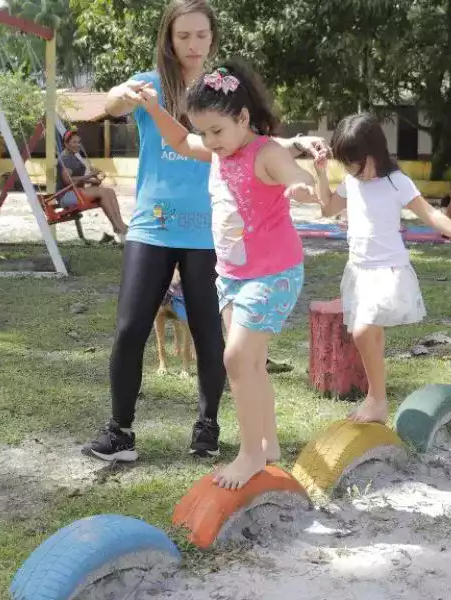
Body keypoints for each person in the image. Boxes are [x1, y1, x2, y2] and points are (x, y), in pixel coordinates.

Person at [87, 0, 330, 463]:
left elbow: (259, 139)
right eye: (184, 36)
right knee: (129, 327)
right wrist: (125, 92)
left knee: (212, 334)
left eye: (202, 36)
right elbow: (112, 106)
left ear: (212, 38)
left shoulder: (222, 90)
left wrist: (298, 152)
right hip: (153, 225)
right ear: (168, 39)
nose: (193, 45)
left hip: (212, 235)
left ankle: (208, 427)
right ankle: (119, 432)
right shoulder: (151, 84)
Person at [135, 60, 320, 489]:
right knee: (250, 363)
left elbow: (295, 173)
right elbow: (181, 142)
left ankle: (251, 454)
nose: (209, 141)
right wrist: (153, 107)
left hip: (273, 274)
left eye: (217, 131)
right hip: (234, 276)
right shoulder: (218, 150)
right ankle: (269, 445)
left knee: (235, 358)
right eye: (205, 132)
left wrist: (299, 185)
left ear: (242, 118)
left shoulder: (265, 152)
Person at [316, 113, 451, 423]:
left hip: (388, 270)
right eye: (345, 165)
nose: (351, 171)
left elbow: (431, 216)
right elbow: (328, 207)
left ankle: (376, 399)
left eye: (355, 163)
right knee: (370, 335)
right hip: (358, 271)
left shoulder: (396, 181)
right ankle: (378, 399)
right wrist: (320, 175)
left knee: (362, 331)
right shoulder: (352, 181)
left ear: (373, 154)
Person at [57, 130, 128, 243]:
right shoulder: (65, 158)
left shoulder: (74, 157)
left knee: (109, 191)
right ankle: (119, 226)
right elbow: (67, 181)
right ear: (66, 143)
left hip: (77, 192)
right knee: (103, 193)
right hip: (66, 195)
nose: (77, 144)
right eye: (74, 142)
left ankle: (118, 224)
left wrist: (95, 180)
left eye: (79, 142)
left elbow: (80, 182)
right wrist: (90, 175)